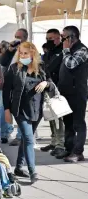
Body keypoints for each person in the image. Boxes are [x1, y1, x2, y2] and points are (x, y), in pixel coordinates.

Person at [3, 42, 55, 183]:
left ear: (33, 53)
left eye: (26, 53)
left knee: (27, 138)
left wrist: (46, 83)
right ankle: (33, 171)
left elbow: (51, 83)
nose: (23, 55)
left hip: (37, 109)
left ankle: (19, 167)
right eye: (21, 53)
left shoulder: (42, 67)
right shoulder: (14, 69)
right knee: (28, 138)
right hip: (20, 109)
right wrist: (6, 110)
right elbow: (6, 91)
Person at [58, 26, 88, 162]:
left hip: (77, 93)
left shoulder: (82, 50)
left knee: (78, 123)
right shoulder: (68, 50)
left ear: (71, 37)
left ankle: (78, 152)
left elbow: (71, 64)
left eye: (63, 37)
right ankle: (69, 149)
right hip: (66, 92)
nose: (61, 39)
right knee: (68, 122)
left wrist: (65, 50)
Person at [40, 28, 66, 158]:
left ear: (58, 38)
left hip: (59, 88)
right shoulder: (49, 52)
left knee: (59, 117)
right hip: (48, 87)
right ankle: (54, 141)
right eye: (47, 39)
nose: (48, 41)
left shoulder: (62, 51)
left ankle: (60, 144)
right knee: (51, 116)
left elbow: (51, 67)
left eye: (51, 39)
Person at [1, 28, 29, 147]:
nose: (17, 39)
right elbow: (3, 62)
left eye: (19, 37)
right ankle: (11, 131)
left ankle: (20, 136)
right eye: (15, 36)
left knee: (21, 110)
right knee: (11, 107)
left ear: (25, 38)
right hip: (11, 80)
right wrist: (9, 51)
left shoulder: (28, 49)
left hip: (23, 82)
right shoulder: (12, 49)